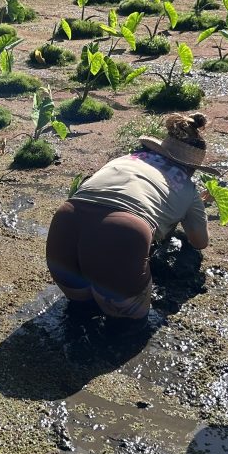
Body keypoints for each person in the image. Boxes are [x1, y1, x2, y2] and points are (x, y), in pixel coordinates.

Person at [45, 113, 212, 323]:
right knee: (127, 327)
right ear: (193, 167)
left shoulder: (126, 159)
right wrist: (191, 209)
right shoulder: (189, 190)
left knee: (80, 311)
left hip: (66, 221)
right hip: (124, 232)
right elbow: (200, 242)